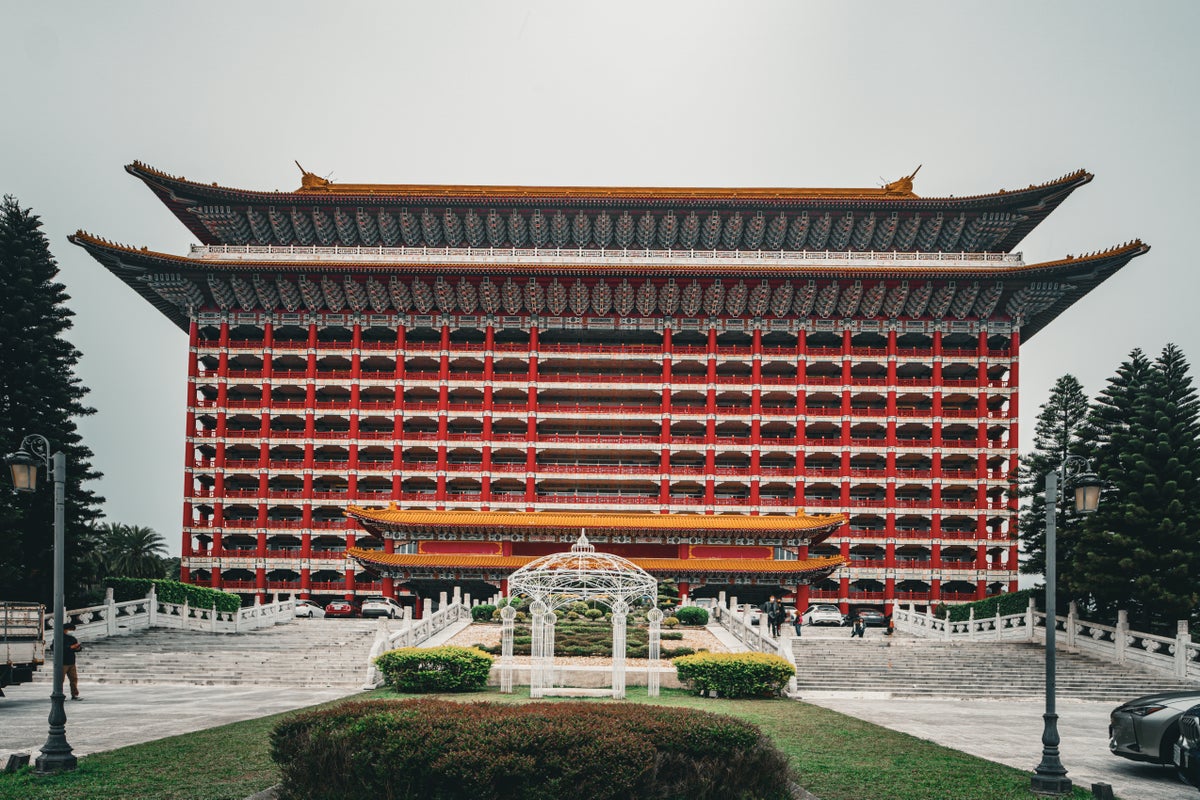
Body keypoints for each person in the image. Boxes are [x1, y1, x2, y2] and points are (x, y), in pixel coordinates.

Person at [61, 623, 83, 700]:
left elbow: (78, 648)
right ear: (65, 629)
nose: (71, 631)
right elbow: (57, 648)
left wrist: (77, 648)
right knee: (60, 680)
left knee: (74, 679)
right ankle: (59, 694)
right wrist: (70, 647)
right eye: (70, 630)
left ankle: (75, 694)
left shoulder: (72, 638)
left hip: (71, 662)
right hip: (62, 662)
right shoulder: (59, 637)